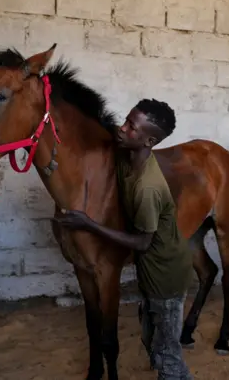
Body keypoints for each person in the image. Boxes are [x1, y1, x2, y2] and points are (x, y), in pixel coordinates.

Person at [53, 98, 194, 379]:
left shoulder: (147, 187)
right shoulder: (130, 158)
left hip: (166, 276)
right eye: (127, 120)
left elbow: (142, 243)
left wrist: (89, 224)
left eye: (131, 127)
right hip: (150, 272)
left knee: (168, 357)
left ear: (149, 141)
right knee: (151, 338)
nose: (122, 128)